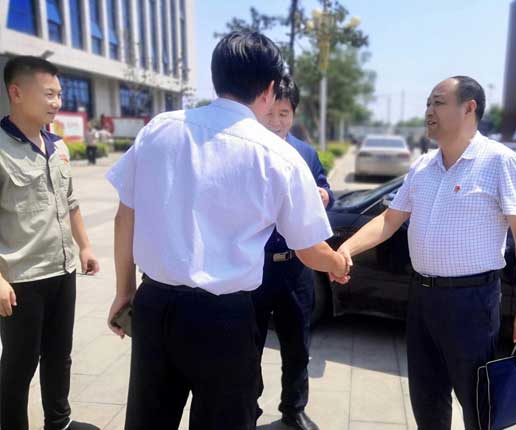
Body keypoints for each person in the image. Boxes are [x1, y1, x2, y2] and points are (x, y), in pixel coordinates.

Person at [105, 31, 349, 430]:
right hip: (225, 317)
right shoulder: (279, 156)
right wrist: (337, 264)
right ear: (269, 90)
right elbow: (309, 249)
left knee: (149, 420)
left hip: (155, 305)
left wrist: (124, 291)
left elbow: (124, 218)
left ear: (216, 76)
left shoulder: (159, 129)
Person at [332, 76, 516, 430]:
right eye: (428, 103)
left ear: (469, 108)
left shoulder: (500, 162)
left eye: (438, 102)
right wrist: (346, 249)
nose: (429, 111)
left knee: (478, 402)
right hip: (422, 298)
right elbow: (390, 219)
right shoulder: (423, 166)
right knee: (426, 397)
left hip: (471, 302)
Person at [0, 56, 100, 430]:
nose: (57, 102)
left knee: (60, 354)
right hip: (21, 278)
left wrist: (85, 247)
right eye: (49, 94)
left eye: (59, 94)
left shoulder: (58, 147)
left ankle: (59, 422)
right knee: (20, 363)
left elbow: (70, 202)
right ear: (16, 93)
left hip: (62, 269)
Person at [255, 75, 333, 430]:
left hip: (296, 265)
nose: (276, 122)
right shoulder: (248, 150)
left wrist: (324, 195)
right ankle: (249, 408)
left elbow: (324, 188)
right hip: (254, 266)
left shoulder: (305, 153)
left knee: (298, 342)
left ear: (294, 114)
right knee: (249, 342)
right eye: (270, 114)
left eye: (283, 114)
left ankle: (294, 408)